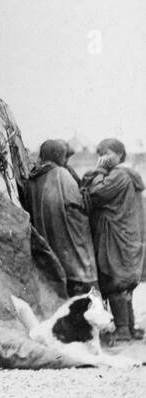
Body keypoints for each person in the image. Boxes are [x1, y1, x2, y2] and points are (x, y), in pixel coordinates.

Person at [82, 138, 145, 342]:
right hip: (126, 235)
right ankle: (129, 327)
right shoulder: (127, 174)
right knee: (124, 283)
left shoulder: (118, 175)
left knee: (115, 280)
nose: (102, 158)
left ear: (119, 154)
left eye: (106, 153)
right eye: (99, 154)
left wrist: (98, 172)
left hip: (116, 236)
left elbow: (96, 193)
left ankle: (124, 330)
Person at [28, 140, 95, 297]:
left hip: (46, 236)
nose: (66, 161)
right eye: (65, 156)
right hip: (66, 237)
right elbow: (77, 205)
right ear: (57, 155)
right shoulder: (62, 174)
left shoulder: (33, 177)